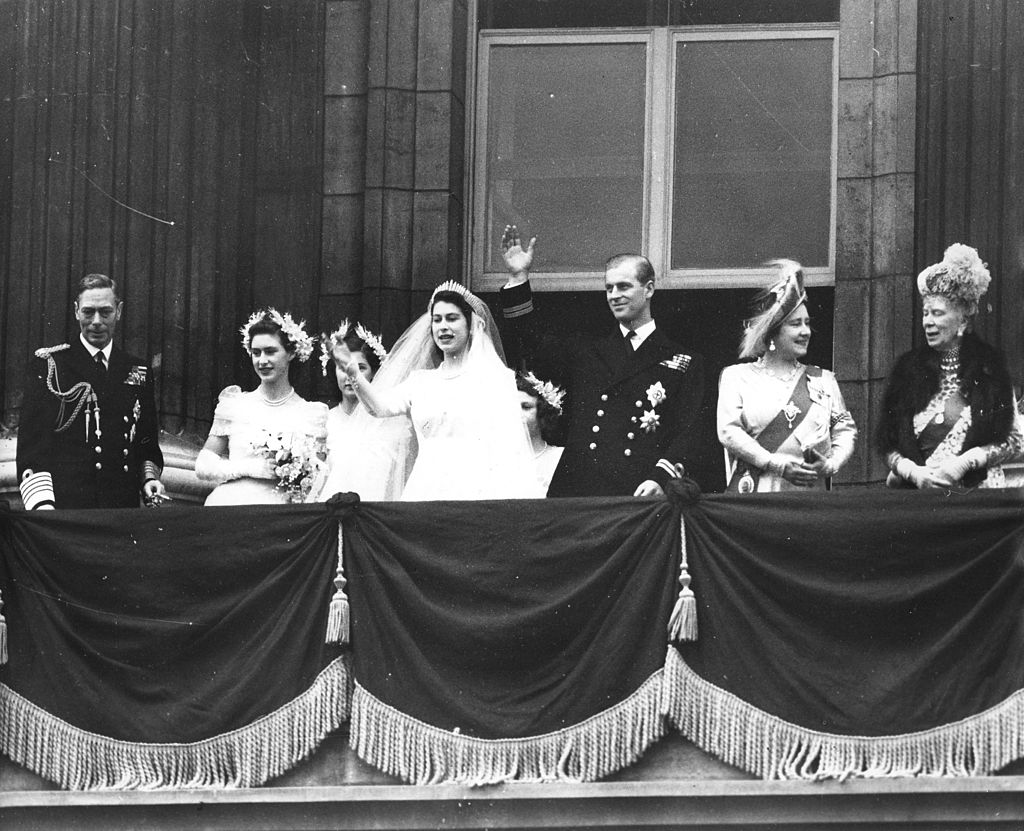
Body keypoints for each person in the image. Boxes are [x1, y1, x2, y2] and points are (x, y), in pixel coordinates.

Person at [499, 226, 705, 497]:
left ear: (649, 288)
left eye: (624, 286)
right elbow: (532, 345)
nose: (614, 295)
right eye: (609, 288)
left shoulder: (683, 360)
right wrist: (518, 279)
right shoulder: (585, 352)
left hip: (640, 491)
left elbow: (690, 431)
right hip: (583, 490)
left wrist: (660, 478)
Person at [334, 281, 543, 500]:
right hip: (424, 491)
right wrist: (355, 375)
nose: (443, 326)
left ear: (471, 325)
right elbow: (379, 408)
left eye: (452, 318)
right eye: (437, 320)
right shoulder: (421, 382)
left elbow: (509, 452)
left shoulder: (495, 379)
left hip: (476, 493)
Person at [17, 273, 166, 510]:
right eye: (88, 312)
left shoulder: (137, 370)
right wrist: (43, 506)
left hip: (122, 506)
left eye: (105, 312)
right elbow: (32, 445)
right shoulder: (49, 366)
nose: (96, 321)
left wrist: (149, 478)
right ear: (76, 311)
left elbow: (146, 440)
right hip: (67, 508)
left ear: (119, 311)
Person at [879, 243, 1022, 489]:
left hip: (974, 498)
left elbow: (1014, 442)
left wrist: (966, 462)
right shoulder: (907, 372)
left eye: (937, 313)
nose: (928, 323)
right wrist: (912, 472)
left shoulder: (990, 372)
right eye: (925, 314)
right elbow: (888, 444)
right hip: (918, 499)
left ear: (963, 321)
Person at [717, 260, 857, 492]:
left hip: (809, 500)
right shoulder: (736, 376)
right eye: (795, 324)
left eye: (807, 324)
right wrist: (777, 465)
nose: (806, 332)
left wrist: (830, 465)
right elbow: (728, 432)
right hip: (757, 494)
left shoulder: (823, 380)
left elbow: (845, 431)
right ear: (772, 332)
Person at [195, 308, 328, 505]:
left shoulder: (312, 414)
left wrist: (293, 470)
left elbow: (317, 478)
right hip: (230, 507)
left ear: (291, 352)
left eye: (271, 351)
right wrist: (248, 468)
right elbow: (203, 465)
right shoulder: (234, 405)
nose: (262, 361)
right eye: (256, 353)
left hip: (281, 515)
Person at [314, 321, 387, 501]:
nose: (350, 375)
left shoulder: (386, 423)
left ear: (373, 372)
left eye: (360, 368)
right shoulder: (324, 420)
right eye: (342, 367)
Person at [516, 371, 565, 494]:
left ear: (542, 413)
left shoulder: (559, 457)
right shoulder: (495, 460)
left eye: (526, 407)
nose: (517, 414)